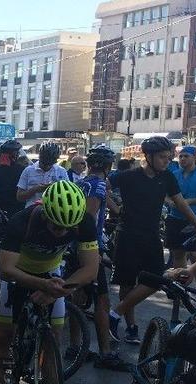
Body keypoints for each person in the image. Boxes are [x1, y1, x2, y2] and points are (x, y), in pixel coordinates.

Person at [0, 181, 99, 384]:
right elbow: (6, 269)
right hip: (20, 273)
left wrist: (61, 289)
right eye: (56, 226)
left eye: (67, 228)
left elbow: (91, 268)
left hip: (52, 274)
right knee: (3, 337)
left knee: (53, 339)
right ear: (45, 213)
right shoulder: (22, 220)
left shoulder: (84, 221)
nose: (62, 232)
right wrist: (42, 285)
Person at [108, 136, 196, 343]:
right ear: (149, 156)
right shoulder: (128, 176)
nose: (167, 161)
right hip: (127, 235)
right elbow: (101, 188)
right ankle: (131, 327)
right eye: (162, 157)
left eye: (169, 157)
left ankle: (114, 313)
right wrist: (115, 209)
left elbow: (180, 203)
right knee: (126, 283)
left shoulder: (167, 177)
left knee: (156, 280)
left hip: (151, 236)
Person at [74, 146, 131, 371]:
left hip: (76, 244)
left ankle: (76, 346)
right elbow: (89, 215)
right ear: (108, 166)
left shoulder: (83, 182)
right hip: (89, 245)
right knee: (102, 300)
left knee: (78, 295)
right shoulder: (97, 185)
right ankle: (105, 352)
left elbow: (111, 206)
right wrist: (94, 248)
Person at [164, 145, 196, 292]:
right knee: (178, 253)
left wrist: (190, 202)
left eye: (186, 156)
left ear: (194, 158)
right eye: (181, 156)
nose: (183, 159)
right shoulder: (174, 174)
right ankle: (178, 287)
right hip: (175, 218)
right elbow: (165, 194)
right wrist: (170, 202)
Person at [17, 142, 69, 207]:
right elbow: (19, 197)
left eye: (50, 164)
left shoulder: (61, 171)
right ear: (40, 158)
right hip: (32, 210)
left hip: (54, 210)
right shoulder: (28, 171)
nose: (47, 167)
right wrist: (35, 189)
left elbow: (67, 194)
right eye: (44, 164)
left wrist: (55, 188)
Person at [0, 140, 26, 217]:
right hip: (21, 211)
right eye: (17, 152)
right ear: (14, 155)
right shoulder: (23, 170)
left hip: (2, 211)